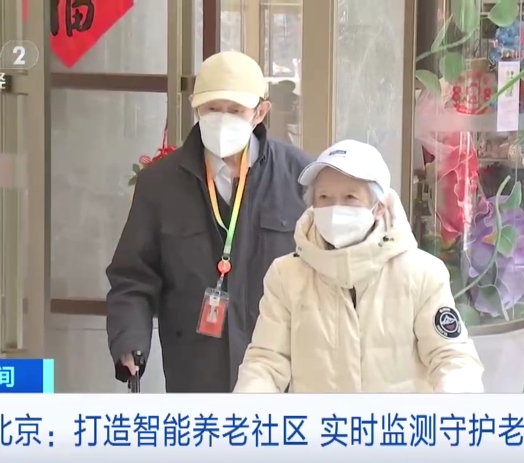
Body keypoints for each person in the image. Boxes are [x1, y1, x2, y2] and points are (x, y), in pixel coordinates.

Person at [106, 51, 310, 392]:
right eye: (213, 108)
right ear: (196, 108)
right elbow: (133, 276)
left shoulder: (299, 177)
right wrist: (130, 341)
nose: (223, 119)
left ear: (260, 112)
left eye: (235, 110)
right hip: (195, 372)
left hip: (280, 373)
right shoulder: (160, 183)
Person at [234, 140, 485, 393]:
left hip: (394, 420)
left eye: (350, 197)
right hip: (321, 420)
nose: (335, 208)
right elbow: (266, 362)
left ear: (379, 208)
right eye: (324, 197)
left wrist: (455, 398)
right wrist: (248, 403)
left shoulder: (421, 273)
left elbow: (451, 357)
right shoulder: (287, 275)